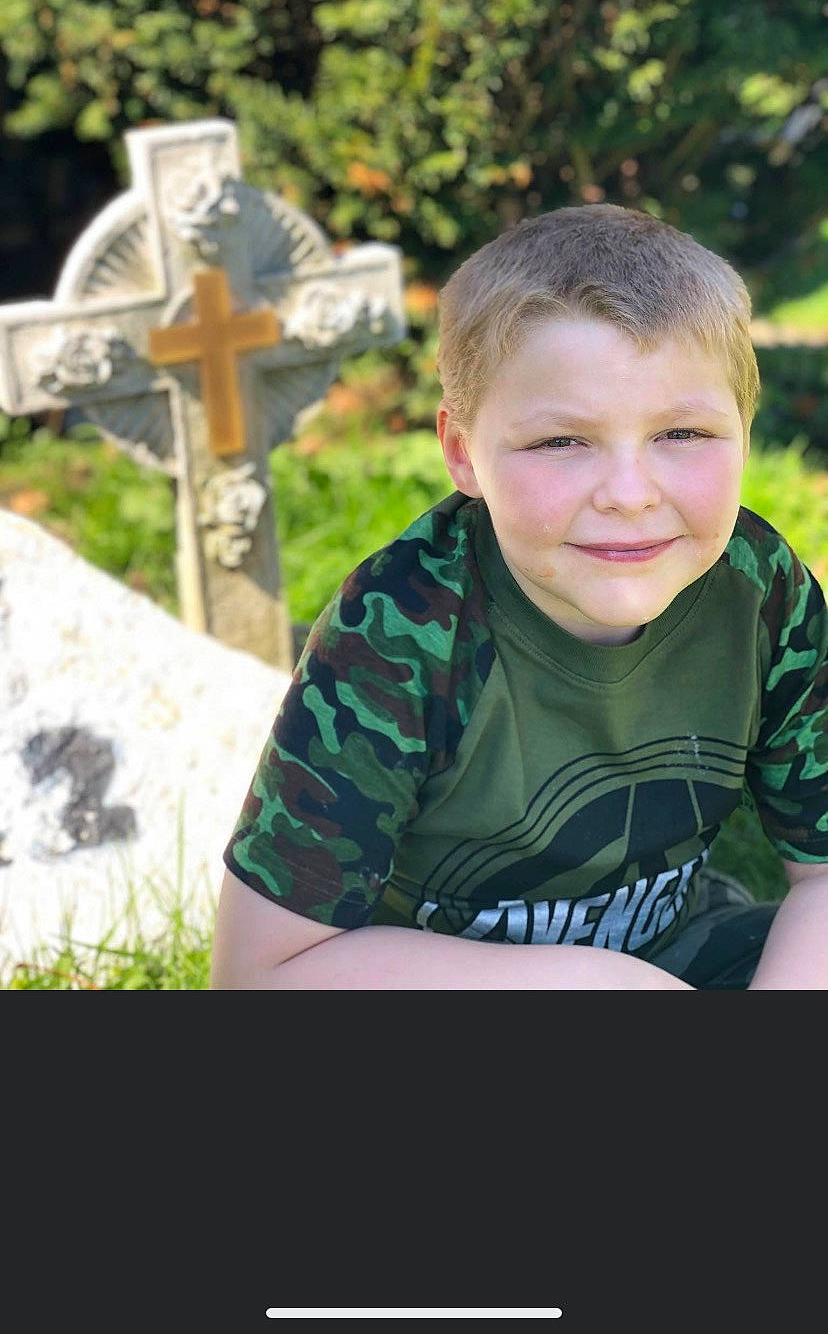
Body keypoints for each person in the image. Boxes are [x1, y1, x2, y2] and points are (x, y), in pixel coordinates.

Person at [210, 202, 828, 989]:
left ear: (745, 427)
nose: (630, 494)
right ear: (463, 454)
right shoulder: (402, 631)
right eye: (560, 442)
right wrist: (597, 986)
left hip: (683, 955)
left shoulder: (757, 588)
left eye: (683, 434)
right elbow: (255, 975)